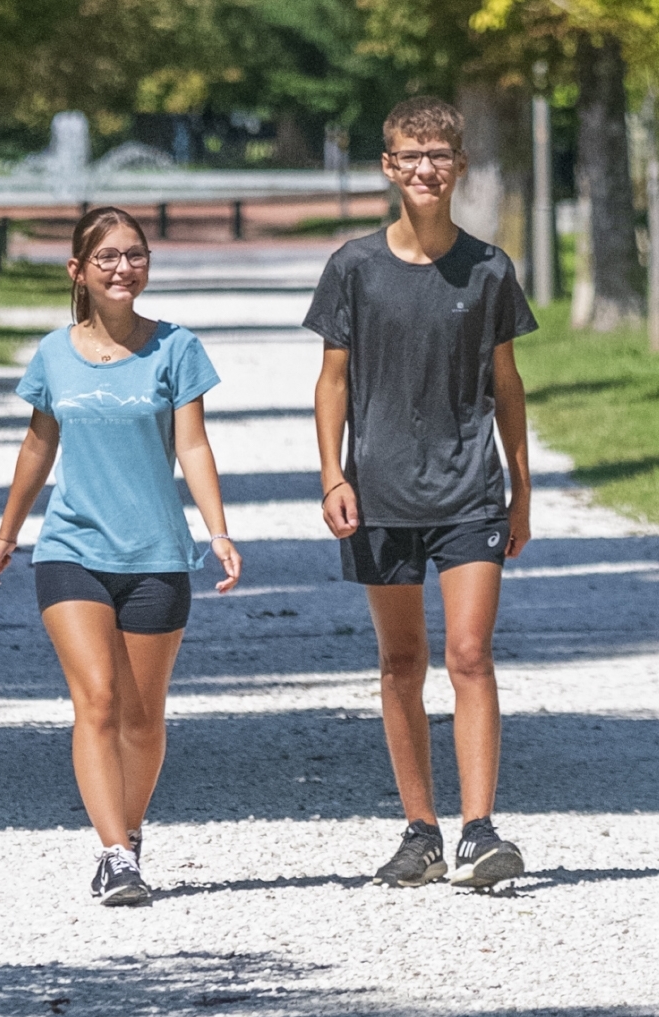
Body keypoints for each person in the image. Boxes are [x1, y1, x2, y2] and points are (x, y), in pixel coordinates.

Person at [0, 206, 241, 906]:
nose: (124, 268)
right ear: (78, 271)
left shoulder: (176, 348)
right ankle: (114, 854)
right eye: (108, 257)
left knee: (141, 719)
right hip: (71, 549)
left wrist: (217, 532)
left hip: (157, 553)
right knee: (95, 699)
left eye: (135, 255)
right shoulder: (53, 353)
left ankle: (130, 827)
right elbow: (38, 445)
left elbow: (192, 445)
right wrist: (7, 533)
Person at [307, 96, 536, 889]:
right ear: (387, 166)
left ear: (459, 166)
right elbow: (331, 381)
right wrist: (333, 473)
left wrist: (521, 488)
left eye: (438, 155)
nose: (425, 168)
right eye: (410, 154)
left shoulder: (488, 268)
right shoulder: (353, 267)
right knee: (401, 660)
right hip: (379, 491)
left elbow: (506, 385)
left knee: (469, 654)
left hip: (470, 489)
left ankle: (479, 829)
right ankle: (420, 832)